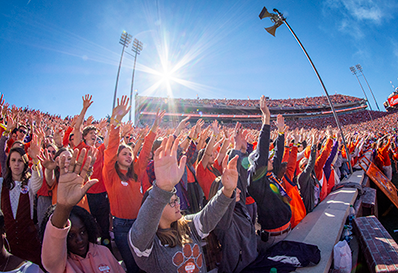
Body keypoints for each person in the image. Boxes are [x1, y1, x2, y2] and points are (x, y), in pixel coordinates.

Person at [129, 134, 239, 273]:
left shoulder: (188, 226)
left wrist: (227, 191)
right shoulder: (147, 243)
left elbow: (209, 215)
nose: (177, 205)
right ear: (157, 208)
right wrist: (162, 190)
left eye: (177, 200)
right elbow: (143, 228)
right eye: (171, 202)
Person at [41, 148, 125, 273]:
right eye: (63, 159)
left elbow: (87, 175)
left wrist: (90, 165)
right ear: (57, 163)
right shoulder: (61, 265)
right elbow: (49, 179)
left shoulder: (78, 178)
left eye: (70, 158)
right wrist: (49, 169)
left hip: (83, 224)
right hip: (61, 229)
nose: (67, 161)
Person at [103, 96, 161, 273]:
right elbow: (111, 147)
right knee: (131, 265)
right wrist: (116, 121)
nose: (129, 156)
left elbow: (145, 151)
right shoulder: (110, 174)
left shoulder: (135, 173)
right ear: (117, 158)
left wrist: (155, 126)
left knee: (146, 263)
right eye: (124, 154)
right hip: (120, 226)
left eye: (130, 153)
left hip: (140, 222)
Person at [0, 139, 42, 266]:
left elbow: (38, 180)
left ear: (24, 164)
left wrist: (35, 160)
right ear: (8, 164)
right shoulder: (1, 183)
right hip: (8, 242)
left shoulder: (29, 184)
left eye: (20, 161)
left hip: (28, 241)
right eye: (13, 160)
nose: (16, 164)